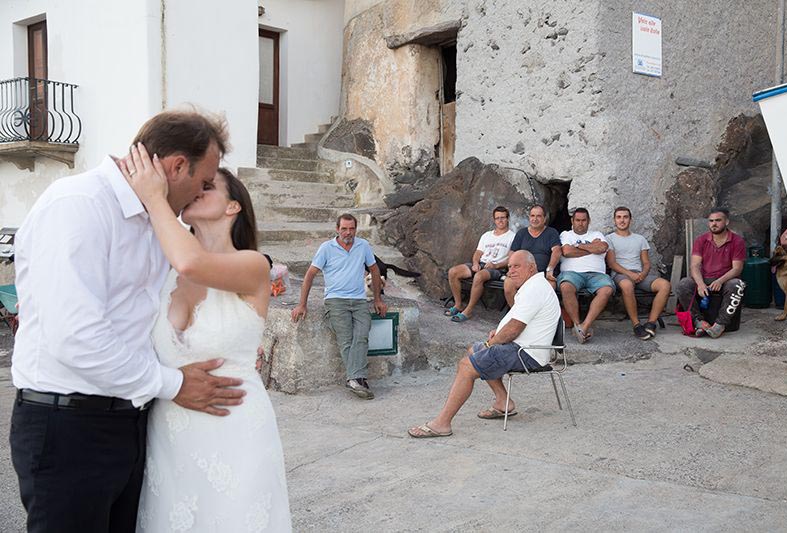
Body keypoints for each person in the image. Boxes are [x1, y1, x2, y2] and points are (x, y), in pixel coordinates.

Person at [10, 110, 248, 533]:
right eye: (204, 180)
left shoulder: (158, 223)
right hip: (70, 428)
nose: (200, 191)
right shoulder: (78, 205)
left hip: (132, 422)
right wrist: (174, 383)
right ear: (177, 166)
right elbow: (76, 337)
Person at [120, 148, 292, 531]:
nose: (197, 189)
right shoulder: (162, 268)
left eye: (208, 186)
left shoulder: (253, 266)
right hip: (168, 432)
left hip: (234, 428)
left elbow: (193, 263)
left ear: (234, 208)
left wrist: (153, 197)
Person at [408, 250, 560, 438]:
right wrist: (498, 333)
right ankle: (503, 402)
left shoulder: (535, 288)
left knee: (466, 366)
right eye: (510, 266)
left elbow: (513, 330)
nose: (511, 271)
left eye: (516, 266)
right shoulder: (533, 285)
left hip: (526, 353)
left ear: (531, 267)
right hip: (521, 347)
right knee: (474, 349)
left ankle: (442, 423)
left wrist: (493, 342)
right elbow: (516, 322)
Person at [291, 214, 387, 399]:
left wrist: (377, 300)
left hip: (359, 300)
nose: (348, 232)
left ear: (356, 229)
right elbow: (310, 274)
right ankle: (358, 379)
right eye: (344, 228)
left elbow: (374, 270)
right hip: (336, 300)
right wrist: (302, 304)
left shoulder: (363, 246)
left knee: (362, 335)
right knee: (346, 339)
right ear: (337, 229)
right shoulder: (326, 248)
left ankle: (354, 379)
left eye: (351, 229)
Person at [676, 207, 746, 338]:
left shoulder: (737, 241)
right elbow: (695, 266)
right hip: (705, 278)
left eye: (718, 220)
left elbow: (737, 268)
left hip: (726, 280)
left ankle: (720, 325)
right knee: (684, 284)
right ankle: (699, 322)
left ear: (726, 222)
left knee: (737, 284)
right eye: (711, 221)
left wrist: (720, 280)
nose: (714, 224)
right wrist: (701, 284)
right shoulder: (701, 240)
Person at [606, 207, 671, 340]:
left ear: (630, 220)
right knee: (627, 286)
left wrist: (643, 273)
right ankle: (636, 325)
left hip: (640, 275)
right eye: (619, 217)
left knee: (665, 285)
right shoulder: (609, 239)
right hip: (620, 275)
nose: (622, 220)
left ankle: (651, 323)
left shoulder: (640, 239)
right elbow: (612, 263)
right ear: (614, 220)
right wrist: (630, 274)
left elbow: (646, 262)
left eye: (625, 217)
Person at [444, 206, 514, 322]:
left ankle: (468, 310)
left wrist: (495, 265)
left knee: (479, 276)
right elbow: (478, 252)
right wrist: (475, 263)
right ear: (494, 220)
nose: (500, 221)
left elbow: (512, 259)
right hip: (481, 264)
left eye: (503, 218)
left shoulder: (512, 237)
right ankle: (458, 305)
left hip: (497, 268)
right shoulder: (487, 235)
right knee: (453, 272)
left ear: (508, 219)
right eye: (497, 218)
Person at [558, 207, 615, 344]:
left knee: (607, 289)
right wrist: (590, 248)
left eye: (584, 220)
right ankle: (577, 324)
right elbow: (566, 251)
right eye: (577, 220)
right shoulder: (566, 234)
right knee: (565, 287)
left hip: (596, 274)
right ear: (572, 221)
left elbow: (602, 248)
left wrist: (577, 247)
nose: (580, 223)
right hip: (572, 273)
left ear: (588, 221)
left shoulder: (597, 234)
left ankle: (584, 326)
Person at [504, 204, 561, 306]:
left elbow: (556, 251)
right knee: (508, 284)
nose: (535, 219)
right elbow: (512, 252)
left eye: (538, 216)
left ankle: (537, 316)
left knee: (549, 288)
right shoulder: (522, 233)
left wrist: (550, 269)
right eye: (532, 216)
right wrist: (511, 269)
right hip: (522, 273)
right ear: (529, 217)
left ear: (544, 218)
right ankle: (516, 313)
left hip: (543, 274)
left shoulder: (551, 233)